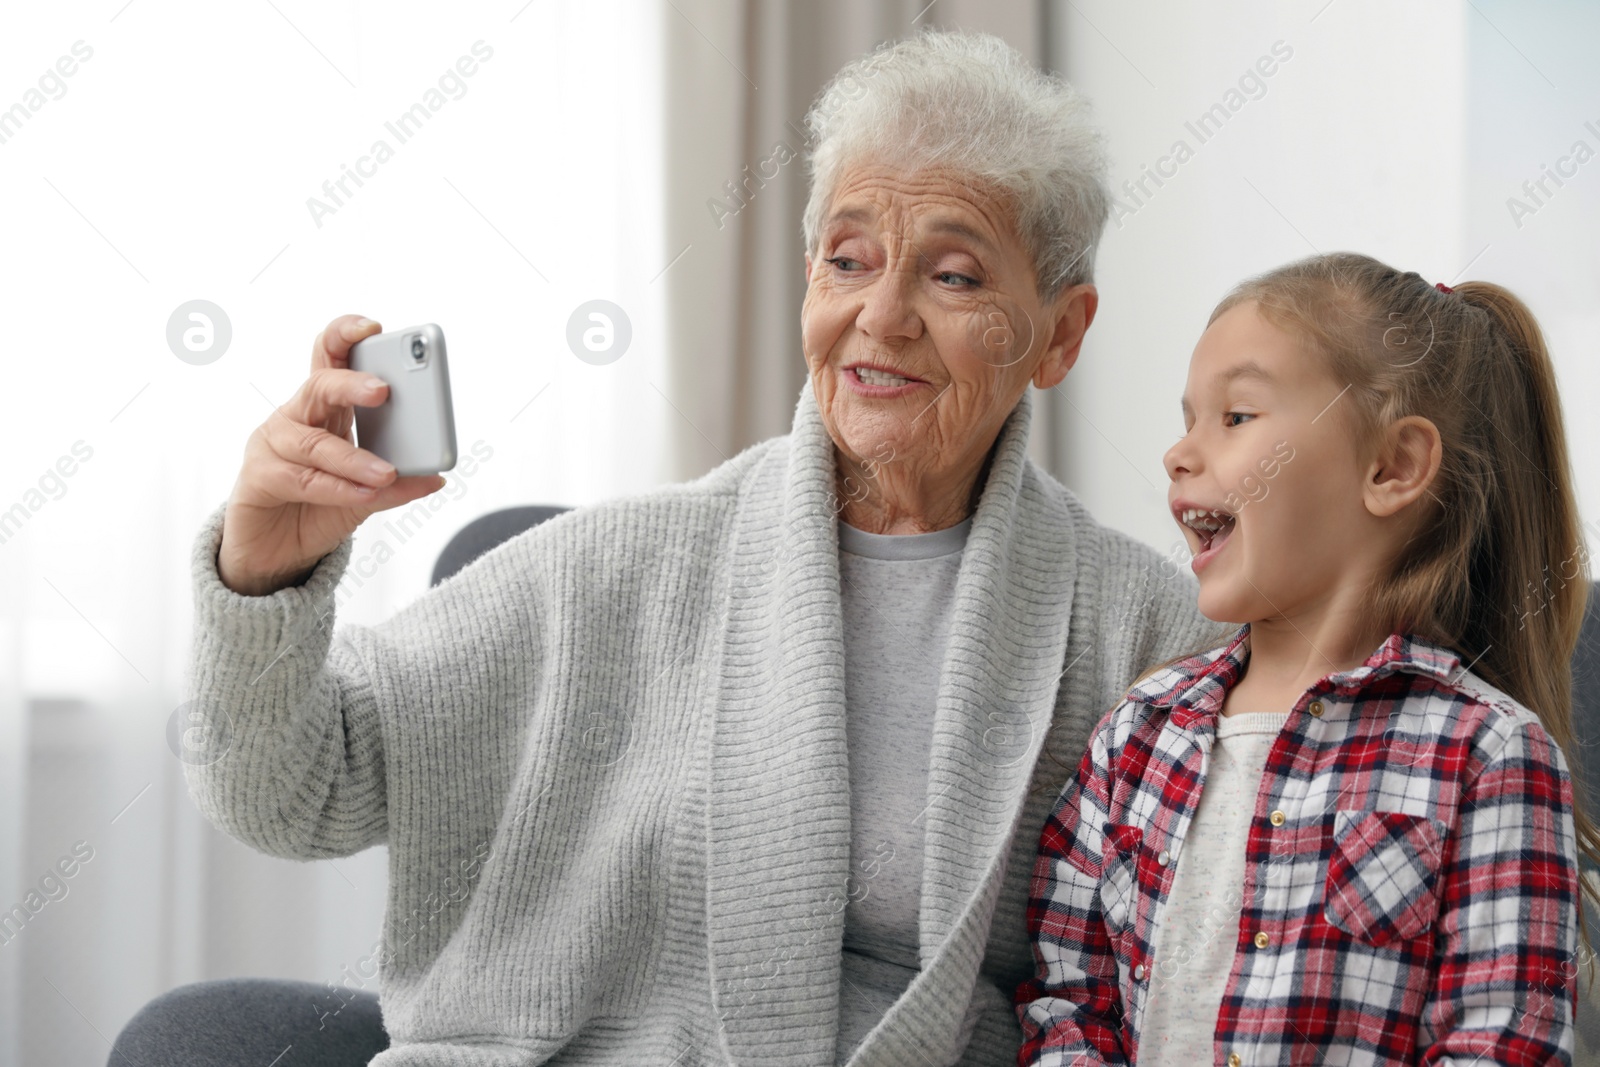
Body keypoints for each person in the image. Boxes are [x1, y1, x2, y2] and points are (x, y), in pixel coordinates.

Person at [111, 27, 1225, 1067]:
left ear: (1059, 333)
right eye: (847, 258)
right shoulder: (613, 567)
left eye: (952, 275)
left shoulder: (1149, 635)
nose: (880, 316)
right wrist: (265, 569)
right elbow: (287, 790)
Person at [1015, 251, 1597, 1065]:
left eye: (1237, 416)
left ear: (1391, 466)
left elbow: (1500, 1042)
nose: (1179, 454)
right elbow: (1070, 997)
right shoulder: (1134, 737)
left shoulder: (1492, 756)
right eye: (1188, 419)